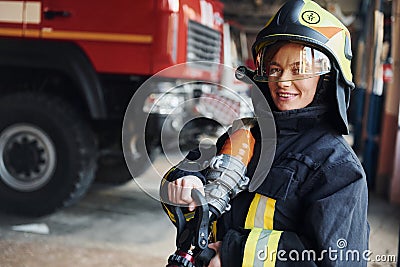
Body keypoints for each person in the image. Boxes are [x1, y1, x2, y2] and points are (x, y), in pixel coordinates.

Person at [161, 0, 369, 266]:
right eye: (275, 69)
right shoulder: (244, 135)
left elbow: (338, 259)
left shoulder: (337, 167)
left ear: (327, 79)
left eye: (299, 69)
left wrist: (234, 253)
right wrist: (184, 182)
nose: (283, 81)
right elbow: (193, 173)